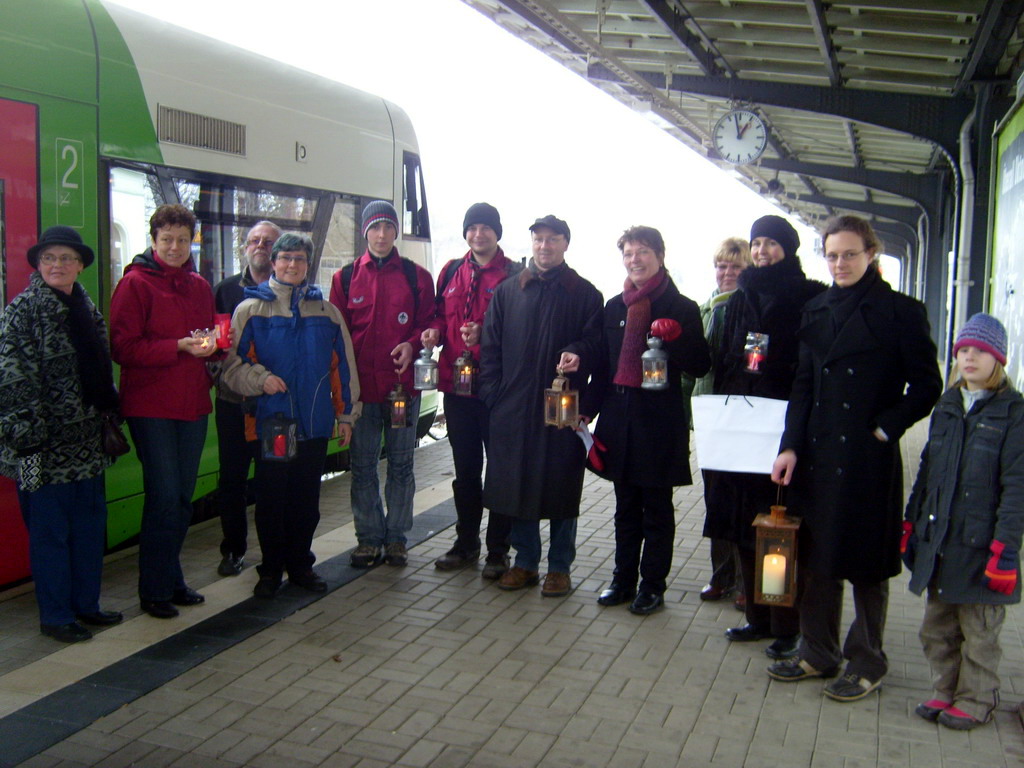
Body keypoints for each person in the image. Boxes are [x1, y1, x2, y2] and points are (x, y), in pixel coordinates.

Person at [768, 215, 942, 702]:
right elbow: (803, 385)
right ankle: (817, 651)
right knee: (816, 558)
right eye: (832, 254)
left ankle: (868, 659)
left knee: (866, 561)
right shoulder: (816, 309)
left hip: (867, 456)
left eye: (849, 254)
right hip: (817, 453)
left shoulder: (901, 312)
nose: (840, 263)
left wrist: (887, 428)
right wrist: (789, 446)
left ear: (871, 254)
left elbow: (927, 384)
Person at [704, 215, 825, 660]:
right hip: (742, 423)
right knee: (743, 526)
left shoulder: (809, 295)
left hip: (785, 425)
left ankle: (786, 624)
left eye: (771, 244)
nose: (761, 252)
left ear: (788, 249)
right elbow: (723, 357)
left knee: (779, 530)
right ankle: (756, 617)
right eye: (757, 243)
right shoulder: (740, 297)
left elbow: (812, 366)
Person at [0, 227, 123, 642]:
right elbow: (12, 380)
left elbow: (101, 371)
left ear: (81, 265)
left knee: (89, 530)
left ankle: (86, 605)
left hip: (87, 445)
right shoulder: (22, 311)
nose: (57, 265)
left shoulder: (86, 308)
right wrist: (29, 439)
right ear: (37, 264)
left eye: (66, 258)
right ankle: (55, 615)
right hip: (40, 449)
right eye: (49, 258)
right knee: (50, 536)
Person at [222, 233, 360, 598]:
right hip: (274, 423)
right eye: (285, 259)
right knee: (271, 500)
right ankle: (270, 570)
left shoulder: (327, 313)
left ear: (307, 264)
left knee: (305, 502)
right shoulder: (250, 311)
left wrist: (346, 416)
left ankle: (301, 565)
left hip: (314, 424)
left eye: (299, 259)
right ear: (273, 262)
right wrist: (260, 379)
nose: (292, 265)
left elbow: (342, 369)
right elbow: (230, 366)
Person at [582, 226, 710, 615]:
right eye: (628, 253)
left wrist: (677, 339)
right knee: (624, 506)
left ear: (659, 255)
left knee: (656, 507)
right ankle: (623, 579)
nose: (635, 259)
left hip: (658, 421)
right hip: (619, 418)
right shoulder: (614, 307)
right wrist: (586, 409)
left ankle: (652, 585)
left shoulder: (682, 307)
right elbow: (603, 367)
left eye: (643, 252)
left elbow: (701, 365)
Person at [902, 314, 1022, 729]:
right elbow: (928, 468)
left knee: (979, 632)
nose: (970, 358)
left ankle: (977, 699)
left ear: (998, 359)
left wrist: (1005, 550)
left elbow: (1016, 487)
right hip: (942, 541)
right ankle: (945, 690)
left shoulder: (1014, 412)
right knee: (937, 628)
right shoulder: (948, 404)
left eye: (981, 351)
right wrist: (911, 523)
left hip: (982, 546)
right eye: (964, 350)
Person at [479, 215, 603, 597]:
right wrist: (495, 398)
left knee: (562, 486)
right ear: (531, 243)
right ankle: (526, 561)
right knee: (518, 484)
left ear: (566, 244)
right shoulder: (508, 291)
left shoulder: (584, 293)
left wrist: (578, 353)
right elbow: (490, 350)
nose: (544, 246)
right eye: (538, 240)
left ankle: (560, 567)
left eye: (553, 240)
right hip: (513, 408)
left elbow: (598, 348)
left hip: (562, 410)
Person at [110, 203, 219, 619]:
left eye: (181, 239)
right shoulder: (135, 285)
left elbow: (206, 336)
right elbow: (122, 348)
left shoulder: (198, 285)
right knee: (162, 497)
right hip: (151, 407)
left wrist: (213, 345)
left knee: (181, 498)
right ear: (153, 241)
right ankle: (153, 589)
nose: (174, 247)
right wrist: (176, 346)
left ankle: (172, 579)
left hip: (192, 404)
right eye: (166, 239)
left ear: (191, 240)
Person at [330, 200, 434, 568]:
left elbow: (430, 325)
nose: (381, 235)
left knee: (402, 465)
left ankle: (397, 538)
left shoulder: (416, 276)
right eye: (375, 228)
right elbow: (337, 339)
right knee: (362, 467)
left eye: (388, 227)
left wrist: (413, 341)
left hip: (402, 392)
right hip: (361, 395)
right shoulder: (343, 279)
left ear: (395, 232)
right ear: (365, 232)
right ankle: (369, 538)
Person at [422, 203, 522, 578]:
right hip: (457, 388)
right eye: (472, 228)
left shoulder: (515, 275)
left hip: (498, 390)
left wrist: (487, 333)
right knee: (465, 472)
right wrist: (432, 331)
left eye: (486, 228)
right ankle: (466, 544)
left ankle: (499, 550)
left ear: (497, 233)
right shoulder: (450, 271)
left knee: (501, 472)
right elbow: (435, 314)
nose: (478, 234)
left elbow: (522, 329)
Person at [212, 220, 282, 576]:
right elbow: (211, 343)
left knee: (271, 482)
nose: (260, 246)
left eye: (268, 242)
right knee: (232, 481)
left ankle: (273, 554)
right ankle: (233, 551)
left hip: (272, 408)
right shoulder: (224, 291)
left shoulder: (289, 292)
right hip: (232, 403)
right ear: (245, 248)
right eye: (254, 240)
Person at [686, 237, 751, 605]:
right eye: (722, 266)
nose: (727, 273)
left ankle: (745, 581)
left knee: (742, 500)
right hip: (709, 415)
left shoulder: (752, 309)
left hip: (740, 416)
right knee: (715, 500)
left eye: (735, 267)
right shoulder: (706, 308)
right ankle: (721, 575)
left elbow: (754, 364)